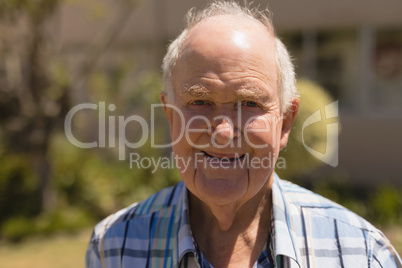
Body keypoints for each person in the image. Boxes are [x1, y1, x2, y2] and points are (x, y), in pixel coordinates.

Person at [86, 2, 402, 267]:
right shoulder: (114, 247)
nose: (223, 133)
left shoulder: (360, 253)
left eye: (249, 103)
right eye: (199, 101)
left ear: (286, 123)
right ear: (170, 116)